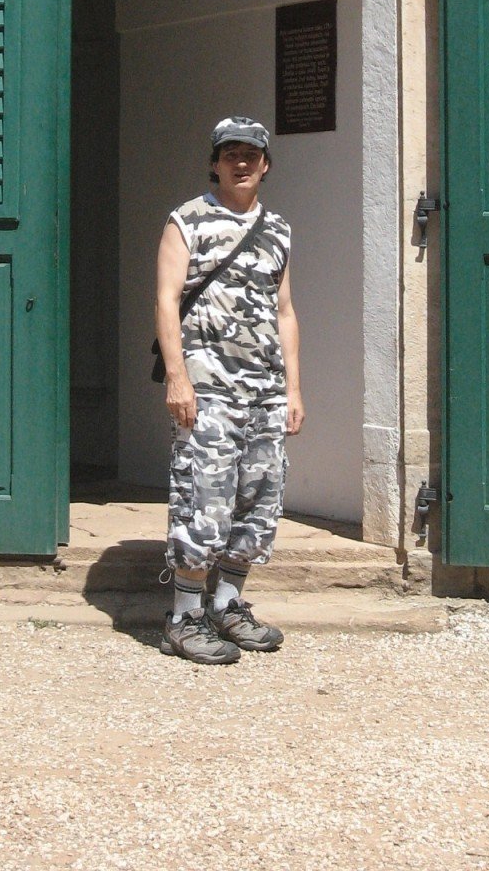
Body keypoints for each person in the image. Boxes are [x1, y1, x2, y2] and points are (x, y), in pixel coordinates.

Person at [154, 116, 304, 665]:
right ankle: (184, 617)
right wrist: (177, 377)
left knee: (258, 500)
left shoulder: (278, 229)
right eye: (230, 154)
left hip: (265, 391)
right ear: (214, 163)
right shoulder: (187, 221)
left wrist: (293, 389)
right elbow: (166, 299)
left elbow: (284, 311)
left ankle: (227, 604)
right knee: (203, 498)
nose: (241, 162)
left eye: (251, 154)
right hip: (208, 388)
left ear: (265, 165)